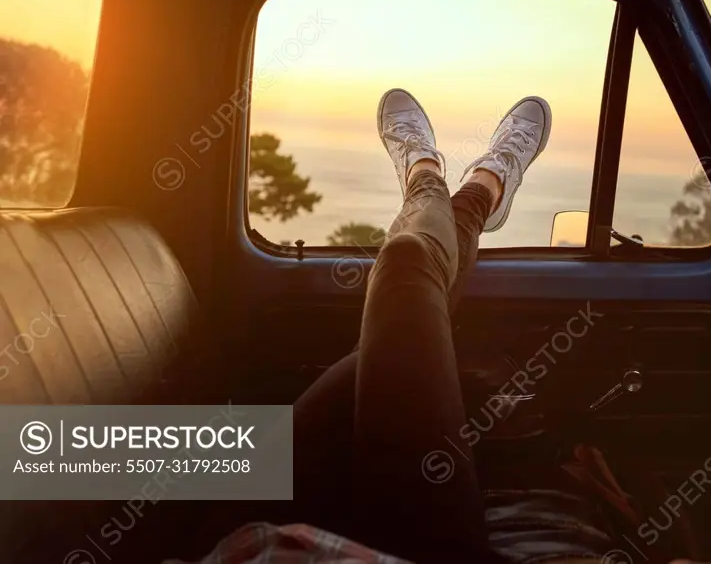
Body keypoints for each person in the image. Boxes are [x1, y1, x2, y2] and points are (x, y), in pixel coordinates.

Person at [169, 88, 553, 563]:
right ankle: (475, 184)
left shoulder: (69, 455)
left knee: (395, 311)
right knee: (405, 268)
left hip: (222, 540)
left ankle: (439, 178)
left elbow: (61, 456)